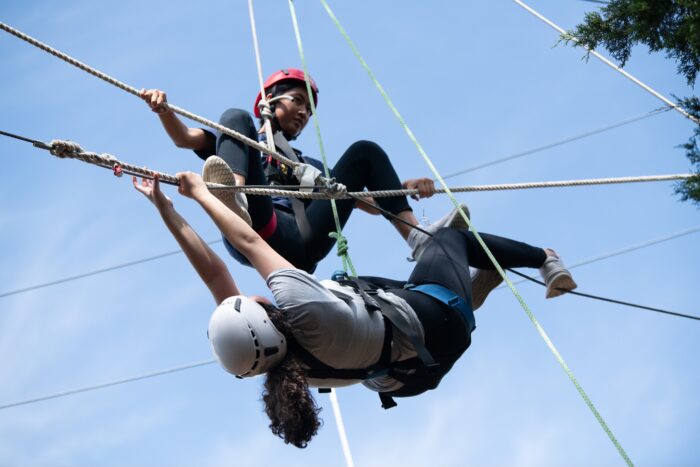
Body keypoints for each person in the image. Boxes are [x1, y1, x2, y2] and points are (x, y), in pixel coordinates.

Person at [133, 171, 578, 449]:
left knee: (386, 303)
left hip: (410, 374)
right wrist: (199, 195)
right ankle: (543, 257)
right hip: (437, 319)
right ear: (265, 315)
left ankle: (468, 290)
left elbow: (214, 277)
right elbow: (249, 244)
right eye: (249, 303)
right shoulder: (301, 309)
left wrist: (164, 209)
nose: (246, 295)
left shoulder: (276, 363)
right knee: (451, 240)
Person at [139, 68, 447, 274]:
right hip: (257, 223)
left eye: (309, 110)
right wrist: (164, 110)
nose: (304, 112)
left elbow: (363, 201)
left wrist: (402, 187)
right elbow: (184, 138)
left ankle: (419, 239)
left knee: (364, 152)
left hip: (303, 240)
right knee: (235, 117)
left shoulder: (307, 166)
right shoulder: (238, 140)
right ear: (270, 100)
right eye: (298, 101)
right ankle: (233, 196)